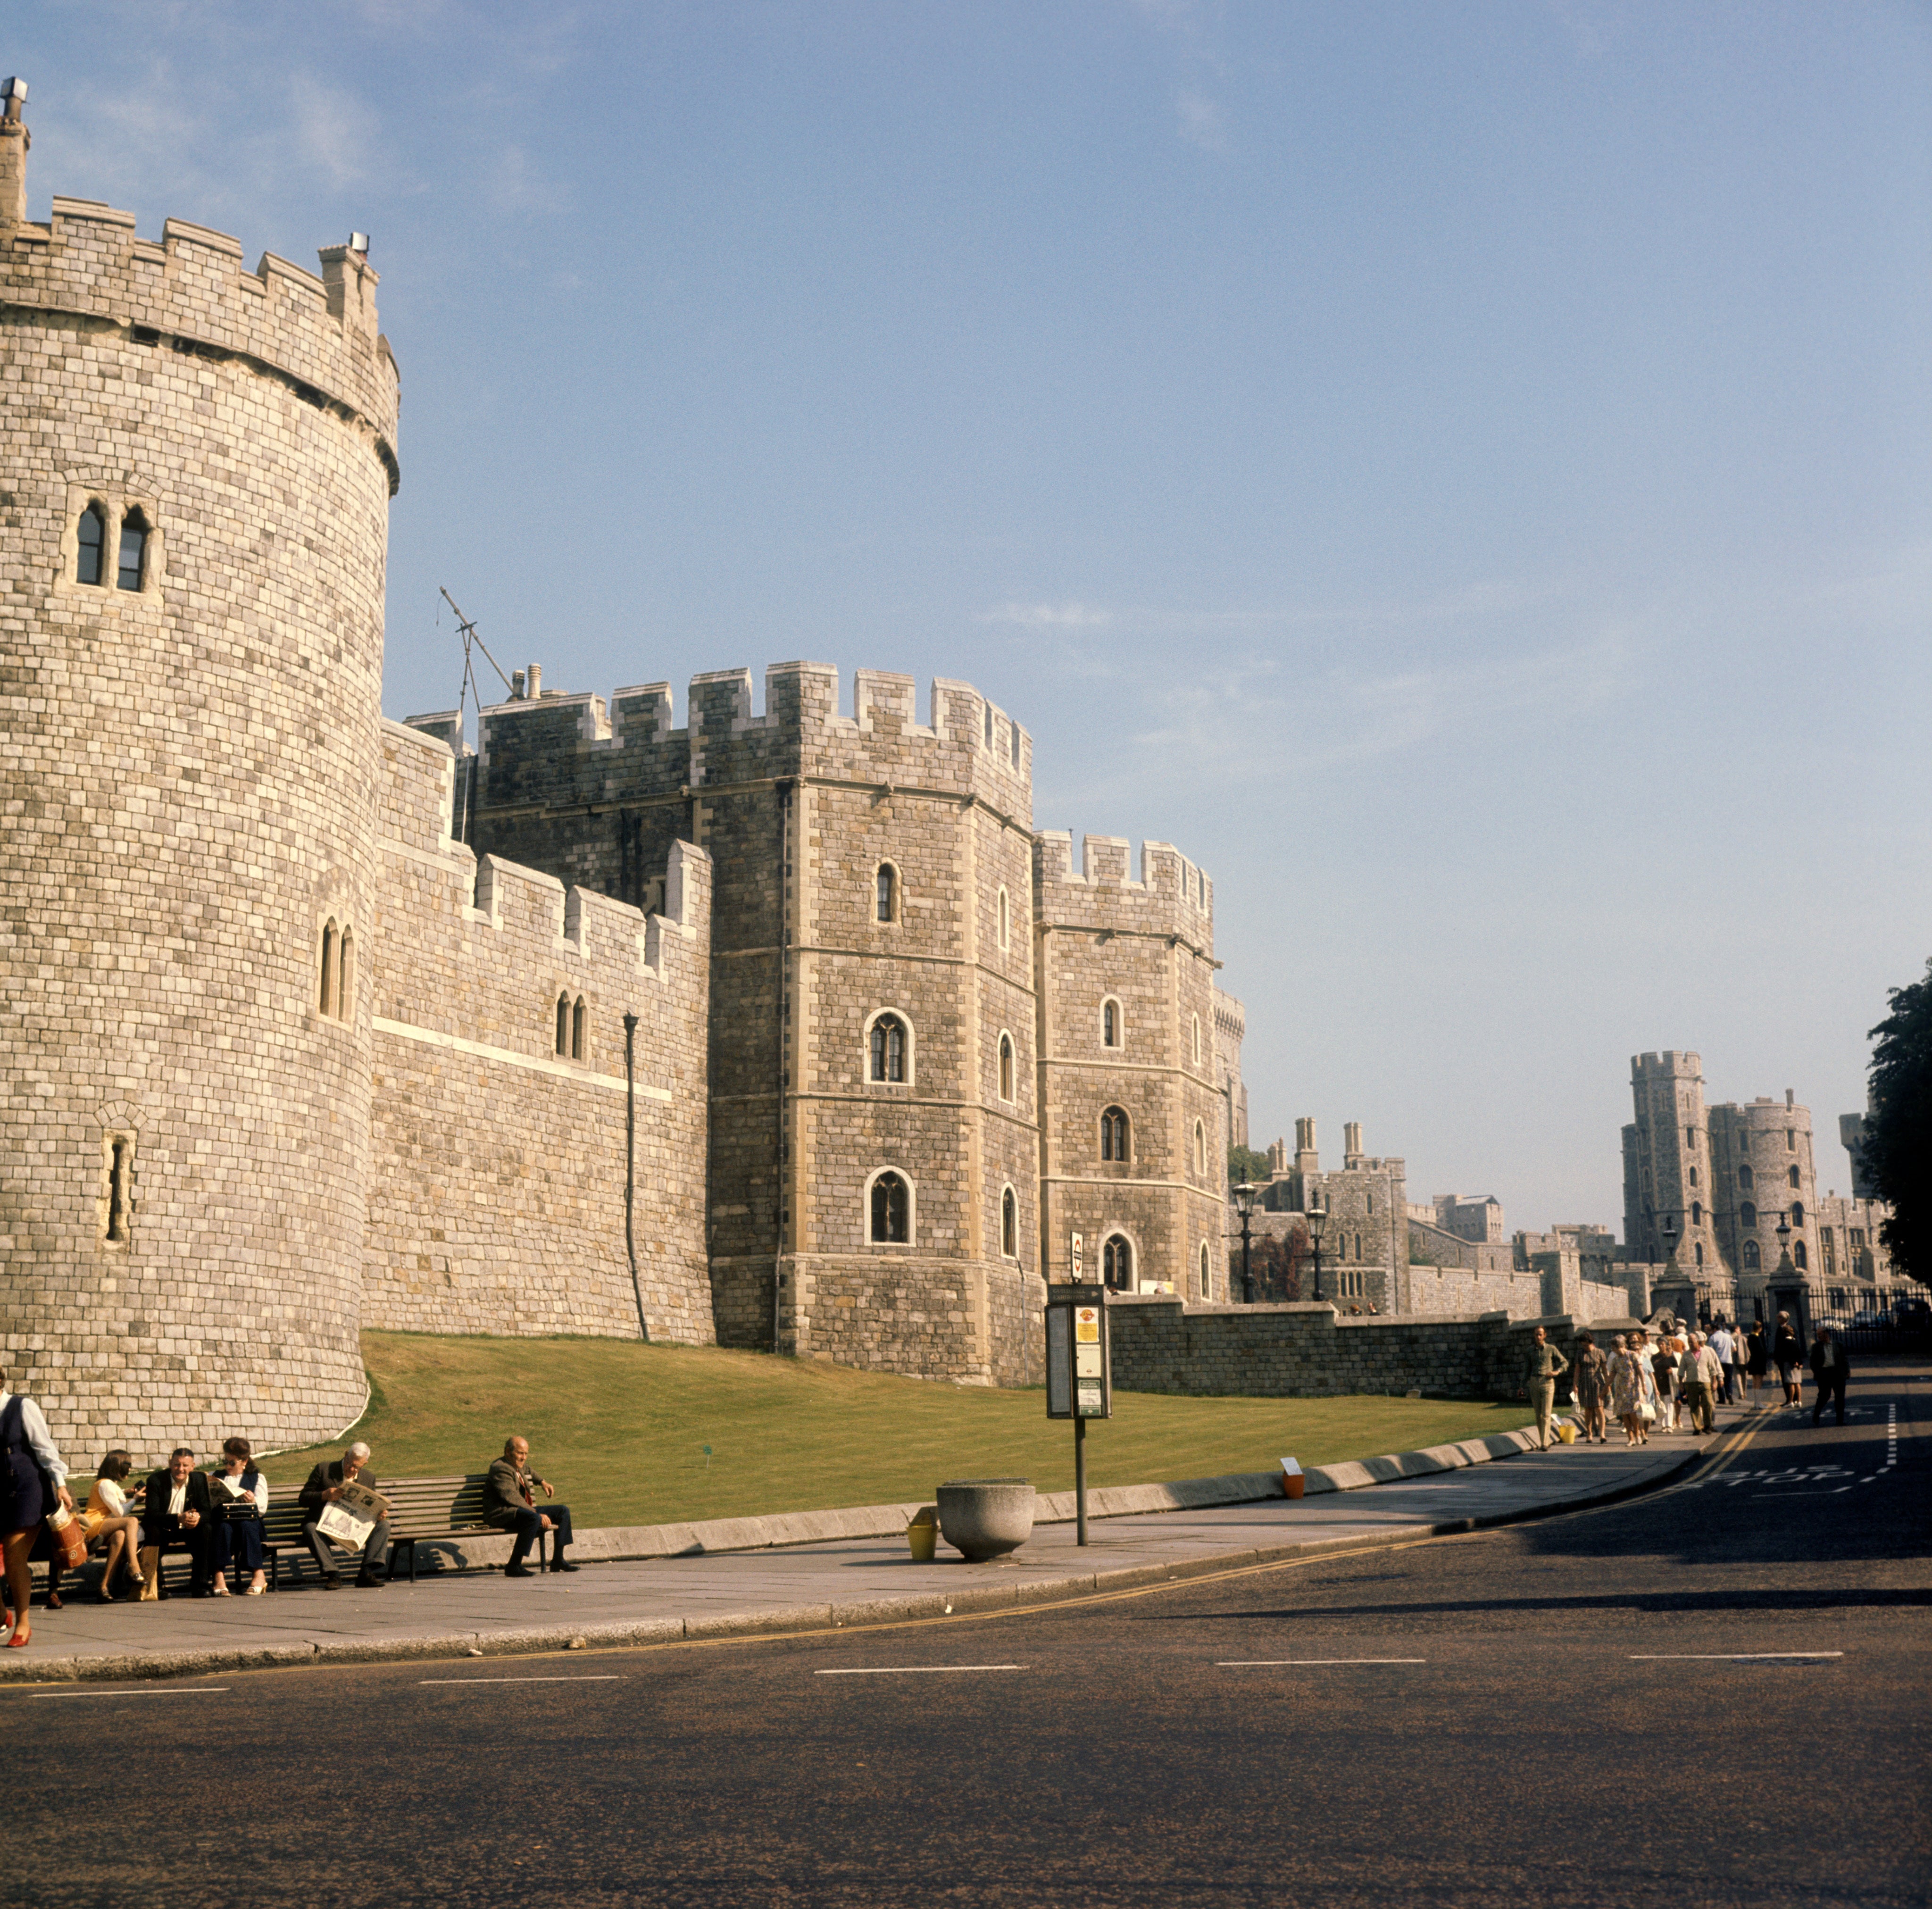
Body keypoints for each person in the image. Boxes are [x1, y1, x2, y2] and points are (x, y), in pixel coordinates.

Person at [1, 1367, 75, 1648]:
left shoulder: (22, 1406)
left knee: (14, 1554)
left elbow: (45, 1449)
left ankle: (23, 1623)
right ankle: (1, 1613)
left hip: (26, 1489)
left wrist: (60, 1484)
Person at [298, 1442, 390, 1589]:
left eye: (357, 1467)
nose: (352, 1469)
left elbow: (370, 1507)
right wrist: (324, 1495)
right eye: (350, 1464)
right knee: (310, 1528)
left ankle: (366, 1573)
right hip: (324, 1526)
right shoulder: (324, 1469)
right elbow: (303, 1499)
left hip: (354, 1526)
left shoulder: (368, 1478)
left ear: (365, 1464)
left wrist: (378, 1514)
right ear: (346, 1454)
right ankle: (333, 1575)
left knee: (384, 1526)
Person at [485, 1436, 579, 1576]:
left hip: (519, 1511)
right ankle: (514, 1566)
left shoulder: (516, 1464)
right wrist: (536, 1513)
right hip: (501, 1514)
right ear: (507, 1452)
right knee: (534, 1518)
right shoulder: (500, 1468)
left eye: (526, 1454)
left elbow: (529, 1470)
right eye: (520, 1453)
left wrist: (543, 1482)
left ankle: (558, 1560)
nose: (524, 1458)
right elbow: (511, 1497)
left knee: (562, 1511)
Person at [141, 1447, 215, 1598]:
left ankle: (200, 1585)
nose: (180, 1469)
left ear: (193, 1466)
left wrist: (198, 1517)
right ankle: (158, 1586)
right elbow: (152, 1514)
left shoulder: (200, 1480)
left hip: (188, 1528)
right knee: (153, 1530)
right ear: (170, 1464)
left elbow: (208, 1512)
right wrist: (178, 1518)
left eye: (185, 1466)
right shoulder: (155, 1480)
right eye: (176, 1465)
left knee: (206, 1529)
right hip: (163, 1526)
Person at [80, 1451, 146, 1601]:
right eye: (128, 1466)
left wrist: (127, 1493)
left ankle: (103, 1587)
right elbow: (121, 1513)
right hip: (93, 1526)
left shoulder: (109, 1485)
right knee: (132, 1521)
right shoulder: (105, 1484)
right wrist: (135, 1499)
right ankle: (134, 1567)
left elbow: (112, 1499)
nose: (130, 1470)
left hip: (104, 1527)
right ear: (118, 1467)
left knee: (120, 1536)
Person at [208, 1437, 268, 1596]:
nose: (227, 1466)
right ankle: (218, 1576)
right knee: (222, 1528)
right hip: (224, 1523)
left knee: (246, 1525)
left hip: (249, 1523)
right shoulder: (215, 1476)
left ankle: (259, 1575)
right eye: (225, 1461)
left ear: (244, 1461)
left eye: (232, 1462)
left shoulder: (257, 1478)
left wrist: (253, 1501)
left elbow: (262, 1509)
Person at [1519, 1326, 1571, 1452]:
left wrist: (1557, 1372)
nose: (1538, 1337)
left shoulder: (1551, 1349)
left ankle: (1545, 1443)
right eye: (1536, 1335)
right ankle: (1542, 1440)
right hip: (1534, 1383)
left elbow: (1565, 1362)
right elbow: (1526, 1370)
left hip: (1548, 1382)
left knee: (1546, 1414)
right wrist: (1522, 1386)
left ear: (1545, 1335)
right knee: (1538, 1415)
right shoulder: (1530, 1351)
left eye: (1541, 1335)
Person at [1679, 1332, 1723, 1435]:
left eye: (1692, 1342)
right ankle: (1698, 1427)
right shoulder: (1686, 1355)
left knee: (1708, 1403)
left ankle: (1707, 1426)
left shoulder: (1707, 1352)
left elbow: (1713, 1369)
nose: (1690, 1344)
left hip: (1705, 1381)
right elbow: (1681, 1371)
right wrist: (1681, 1384)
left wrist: (1715, 1382)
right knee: (1694, 1406)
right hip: (1691, 1383)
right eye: (1689, 1342)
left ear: (1697, 1342)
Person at [1570, 1332, 1609, 1443]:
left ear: (1591, 1343)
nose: (1585, 1347)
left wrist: (1608, 1385)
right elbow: (1577, 1370)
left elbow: (1605, 1370)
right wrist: (1575, 1385)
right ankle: (1590, 1433)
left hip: (1597, 1383)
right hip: (1585, 1383)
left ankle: (1602, 1433)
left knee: (1599, 1408)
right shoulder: (1580, 1354)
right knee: (1588, 1409)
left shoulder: (1600, 1353)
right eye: (1583, 1345)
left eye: (1586, 1345)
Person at [1808, 1325, 1851, 1426]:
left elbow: (1844, 1359)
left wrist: (1847, 1371)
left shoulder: (1838, 1345)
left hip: (1838, 1373)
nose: (1818, 1337)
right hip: (1824, 1374)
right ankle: (1816, 1415)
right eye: (1817, 1335)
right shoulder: (1816, 1347)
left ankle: (1840, 1420)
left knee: (1840, 1398)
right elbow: (1813, 1362)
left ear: (1826, 1334)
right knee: (1824, 1396)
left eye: (1820, 1334)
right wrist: (1817, 1373)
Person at [1651, 1326, 1682, 1434]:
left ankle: (1669, 1425)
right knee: (1661, 1405)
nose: (1661, 1346)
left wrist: (1672, 1371)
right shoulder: (1654, 1358)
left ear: (1666, 1345)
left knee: (1669, 1404)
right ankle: (1663, 1425)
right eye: (1659, 1344)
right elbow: (1652, 1371)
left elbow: (1679, 1369)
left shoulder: (1671, 1357)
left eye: (1662, 1344)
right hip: (1659, 1384)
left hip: (1669, 1383)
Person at [1773, 1311, 1804, 1408]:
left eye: (1779, 1317)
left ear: (1785, 1319)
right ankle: (1790, 1400)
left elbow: (1796, 1347)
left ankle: (1793, 1400)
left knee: (1790, 1381)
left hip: (1789, 1360)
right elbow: (1777, 1346)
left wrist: (1798, 1361)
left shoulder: (1791, 1329)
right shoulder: (1779, 1329)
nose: (1777, 1318)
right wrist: (1776, 1358)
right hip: (1782, 1360)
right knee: (1786, 1381)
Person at [1746, 1320, 1770, 1400]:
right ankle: (1758, 1402)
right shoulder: (1756, 1338)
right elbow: (1761, 1351)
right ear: (1760, 1328)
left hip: (1753, 1360)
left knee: (1755, 1382)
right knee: (1759, 1382)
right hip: (1759, 1362)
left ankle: (1756, 1402)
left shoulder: (1750, 1337)